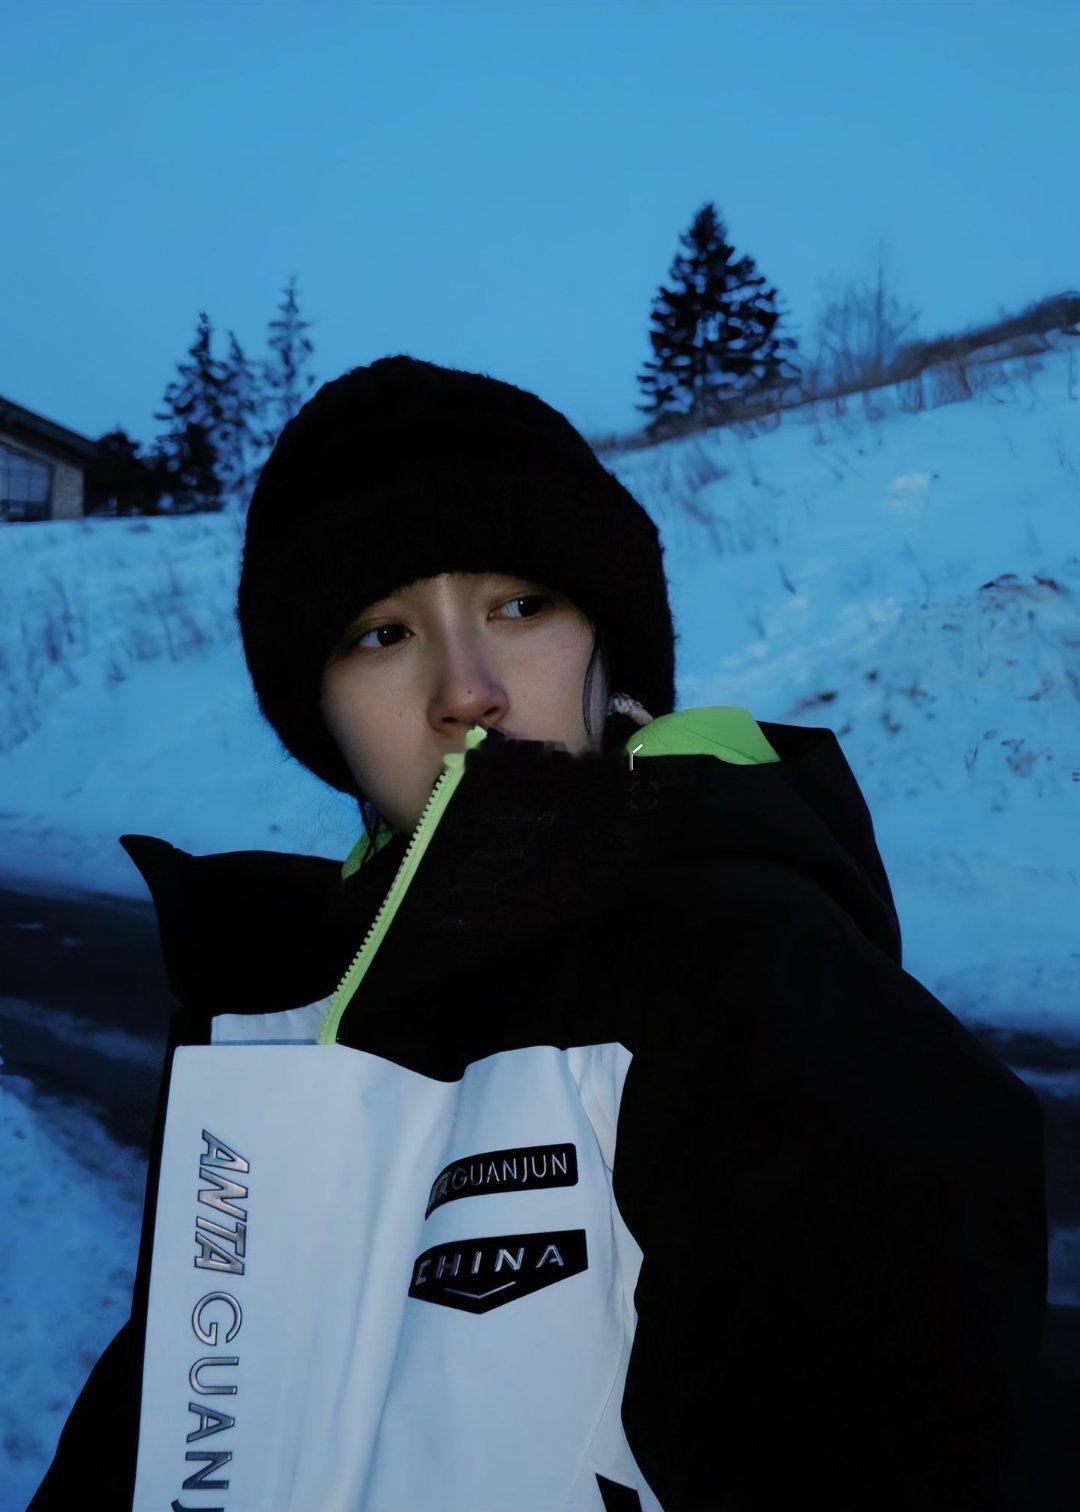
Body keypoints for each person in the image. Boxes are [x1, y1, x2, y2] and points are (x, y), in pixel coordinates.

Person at [29, 355, 1047, 1511]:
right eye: (382, 633)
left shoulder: (758, 984)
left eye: (521, 607)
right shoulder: (275, 1016)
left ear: (612, 652)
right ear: (319, 714)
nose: (467, 688)